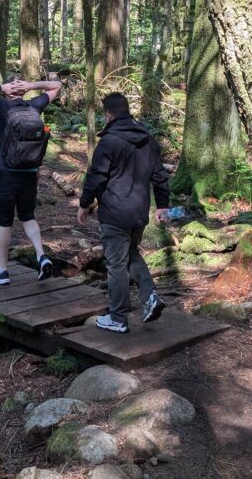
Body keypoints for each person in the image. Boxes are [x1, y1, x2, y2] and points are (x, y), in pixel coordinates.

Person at [78, 92, 170, 333]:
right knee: (129, 254)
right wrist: (162, 205)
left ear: (108, 115)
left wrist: (84, 203)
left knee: (116, 264)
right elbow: (160, 176)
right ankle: (150, 297)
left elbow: (96, 176)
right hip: (139, 213)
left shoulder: (109, 141)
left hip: (115, 213)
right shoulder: (148, 139)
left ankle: (118, 317)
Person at [0, 76, 63, 285]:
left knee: (5, 222)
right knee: (28, 216)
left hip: (8, 173)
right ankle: (41, 256)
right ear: (22, 91)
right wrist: (32, 86)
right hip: (30, 173)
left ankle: (2, 271)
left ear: (8, 91)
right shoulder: (35, 105)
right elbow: (57, 86)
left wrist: (0, 87)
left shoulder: (1, 106)